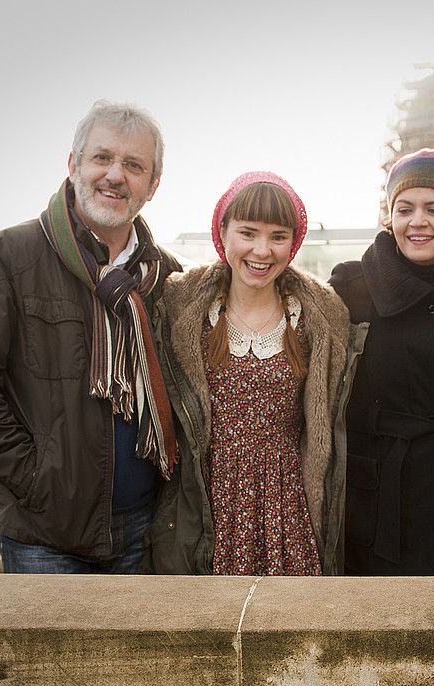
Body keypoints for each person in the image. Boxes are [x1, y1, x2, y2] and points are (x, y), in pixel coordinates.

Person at [0, 100, 178, 686]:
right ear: (72, 167)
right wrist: (35, 478)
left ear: (152, 185)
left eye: (134, 165)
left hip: (138, 529)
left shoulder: (165, 278)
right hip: (44, 530)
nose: (114, 175)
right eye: (101, 158)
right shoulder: (8, 256)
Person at [147, 171, 363, 577]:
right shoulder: (180, 309)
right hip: (207, 502)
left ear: (293, 244)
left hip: (288, 503)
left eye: (278, 236)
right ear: (223, 232)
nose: (262, 251)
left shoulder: (320, 317)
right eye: (248, 232)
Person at [329, 147, 434, 576]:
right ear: (390, 216)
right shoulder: (351, 286)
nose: (417, 221)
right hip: (376, 497)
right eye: (405, 208)